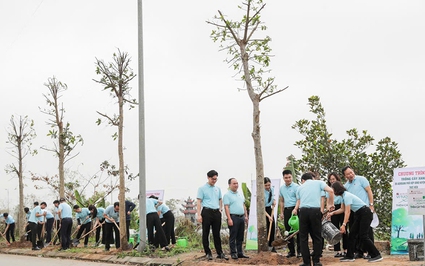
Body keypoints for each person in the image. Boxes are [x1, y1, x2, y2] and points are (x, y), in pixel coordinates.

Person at [329, 181, 383, 263]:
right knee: (352, 234)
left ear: (336, 190)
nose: (333, 192)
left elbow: (347, 212)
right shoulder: (343, 196)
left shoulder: (346, 196)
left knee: (363, 235)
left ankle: (376, 255)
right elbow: (342, 209)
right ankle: (349, 256)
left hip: (365, 213)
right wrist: (332, 213)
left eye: (333, 190)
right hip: (359, 214)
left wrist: (343, 224)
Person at [293, 172, 334, 266]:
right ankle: (316, 261)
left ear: (303, 180)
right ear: (312, 178)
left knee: (303, 238)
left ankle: (306, 262)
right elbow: (331, 191)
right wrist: (331, 204)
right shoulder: (318, 182)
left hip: (303, 211)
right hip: (315, 211)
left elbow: (299, 201)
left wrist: (295, 209)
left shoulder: (299, 188)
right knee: (317, 236)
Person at [342, 166, 375, 259]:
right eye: (348, 174)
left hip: (365, 208)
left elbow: (369, 191)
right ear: (345, 176)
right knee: (354, 232)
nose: (351, 174)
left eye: (351, 172)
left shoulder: (362, 179)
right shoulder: (346, 186)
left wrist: (371, 204)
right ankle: (359, 251)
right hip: (354, 211)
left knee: (367, 231)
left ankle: (370, 252)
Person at [197, 170, 228, 260]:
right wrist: (199, 215)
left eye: (215, 179)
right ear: (208, 177)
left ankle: (220, 252)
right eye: (212, 179)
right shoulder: (202, 188)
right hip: (206, 212)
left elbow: (220, 199)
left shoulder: (217, 189)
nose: (214, 181)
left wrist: (220, 209)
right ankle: (208, 252)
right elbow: (199, 201)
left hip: (216, 212)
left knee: (217, 233)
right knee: (206, 233)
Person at [223, 178, 249, 260]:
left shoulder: (240, 194)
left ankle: (240, 252)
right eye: (234, 183)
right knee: (233, 236)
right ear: (229, 185)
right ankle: (233, 253)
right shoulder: (227, 195)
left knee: (240, 236)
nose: (236, 185)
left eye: (237, 183)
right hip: (233, 217)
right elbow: (226, 207)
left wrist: (246, 216)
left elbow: (243, 206)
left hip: (241, 217)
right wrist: (229, 218)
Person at [279, 169, 301, 258]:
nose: (288, 179)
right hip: (287, 211)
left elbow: (299, 199)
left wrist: (296, 209)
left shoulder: (297, 187)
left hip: (296, 210)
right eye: (286, 178)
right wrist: (281, 212)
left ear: (292, 177)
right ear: (283, 178)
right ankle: (291, 251)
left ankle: (300, 251)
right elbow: (281, 201)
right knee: (288, 231)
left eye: (289, 177)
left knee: (298, 231)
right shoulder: (282, 188)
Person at [326, 172, 347, 257]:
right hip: (333, 209)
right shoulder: (329, 190)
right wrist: (329, 211)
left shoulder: (342, 188)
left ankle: (346, 249)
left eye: (333, 179)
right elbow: (328, 202)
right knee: (334, 231)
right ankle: (337, 250)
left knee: (344, 230)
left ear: (337, 179)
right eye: (330, 179)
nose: (332, 181)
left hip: (342, 208)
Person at [264, 177, 276, 252]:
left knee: (272, 228)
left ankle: (272, 246)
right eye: (266, 185)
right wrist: (268, 217)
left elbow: (272, 198)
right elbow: (261, 207)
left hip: (269, 209)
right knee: (267, 228)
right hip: (263, 211)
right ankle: (266, 246)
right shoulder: (261, 192)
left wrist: (274, 201)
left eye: (269, 185)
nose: (268, 187)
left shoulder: (272, 190)